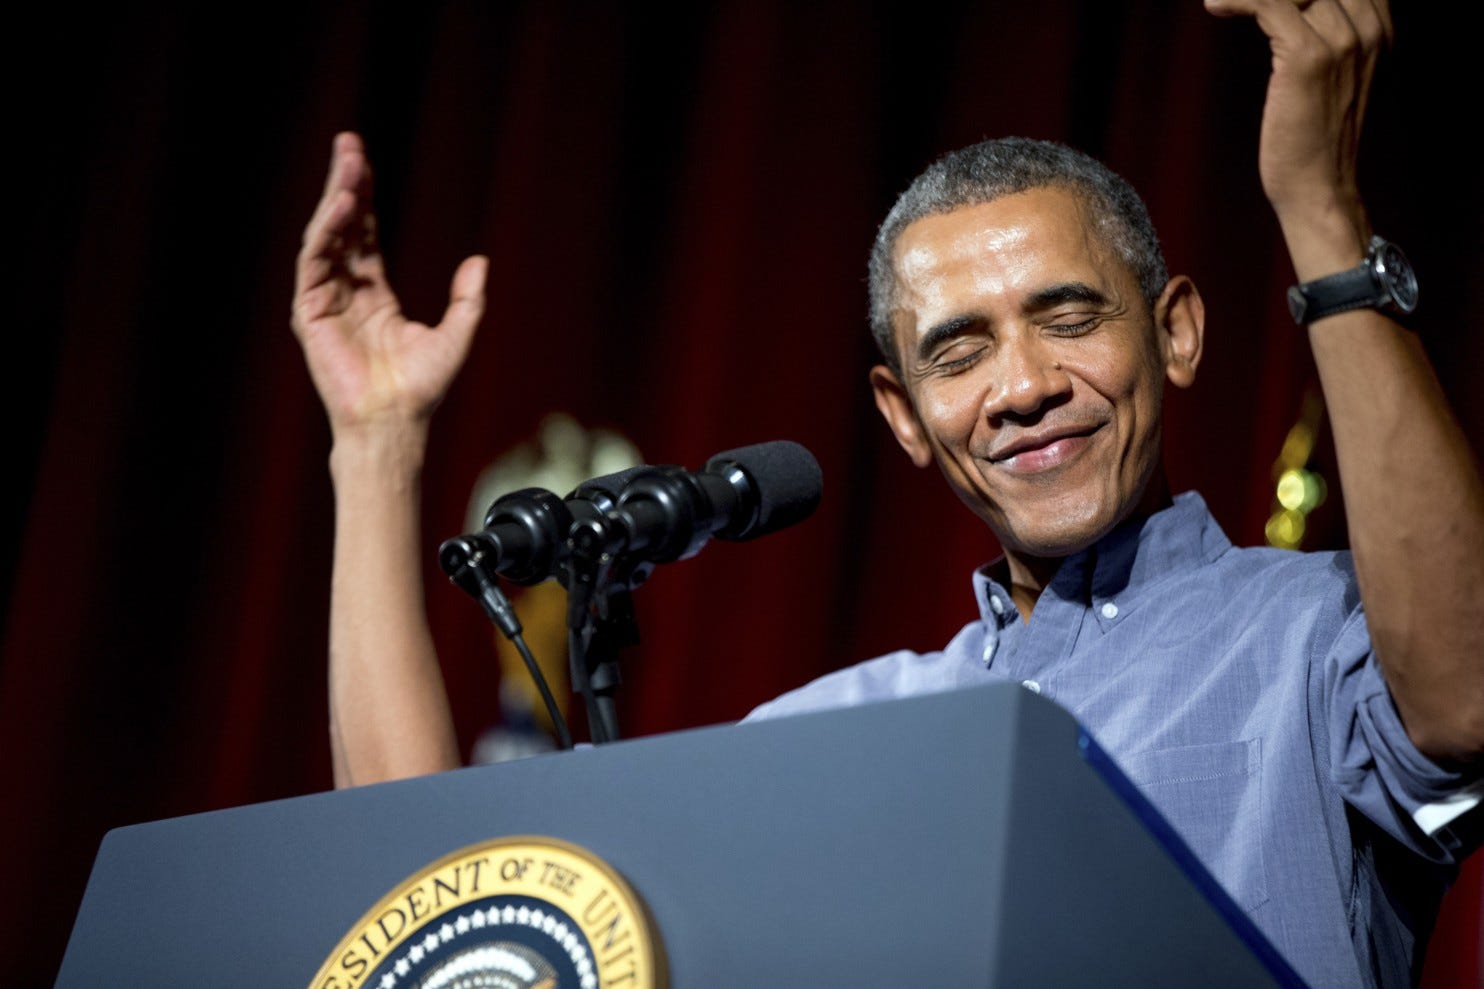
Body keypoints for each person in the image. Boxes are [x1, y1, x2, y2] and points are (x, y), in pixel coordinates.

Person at [290, 1, 1482, 986]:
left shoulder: (1317, 632)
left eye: (1068, 317)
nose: (1021, 386)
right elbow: (444, 916)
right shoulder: (829, 734)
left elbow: (1463, 701)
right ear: (903, 416)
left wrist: (1318, 211)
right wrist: (376, 446)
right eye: (957, 353)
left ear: (1174, 332)